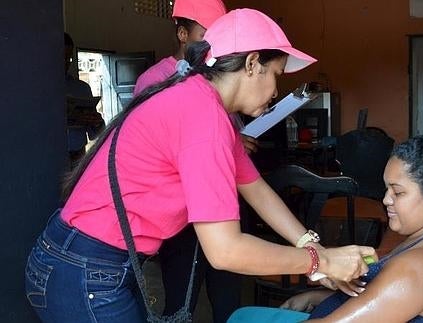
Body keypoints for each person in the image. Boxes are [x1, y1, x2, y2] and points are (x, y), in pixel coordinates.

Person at [24, 9, 376, 323]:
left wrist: (314, 247)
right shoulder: (204, 117)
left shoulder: (200, 100)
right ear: (251, 63)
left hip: (75, 260)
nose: (274, 91)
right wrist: (321, 264)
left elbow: (256, 189)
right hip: (86, 270)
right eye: (276, 74)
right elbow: (225, 251)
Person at [227, 132, 423, 323]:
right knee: (241, 316)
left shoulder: (420, 269)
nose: (386, 199)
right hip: (326, 309)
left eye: (398, 192)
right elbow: (380, 300)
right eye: (387, 188)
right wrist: (316, 297)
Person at [134, 1, 248, 321]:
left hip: (221, 203)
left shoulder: (218, 79)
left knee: (227, 294)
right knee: (181, 298)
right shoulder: (154, 80)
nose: (215, 46)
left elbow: (226, 139)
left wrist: (237, 143)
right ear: (183, 33)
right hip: (181, 213)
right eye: (206, 35)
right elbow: (162, 148)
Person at [64, 32, 104, 166]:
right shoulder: (40, 91)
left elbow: (96, 132)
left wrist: (97, 122)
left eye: (68, 59)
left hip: (78, 155)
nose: (65, 63)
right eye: (61, 58)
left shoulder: (82, 88)